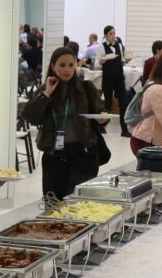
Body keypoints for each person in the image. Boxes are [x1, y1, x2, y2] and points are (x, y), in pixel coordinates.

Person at [23, 45, 103, 199]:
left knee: (76, 203)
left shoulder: (85, 88)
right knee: (53, 203)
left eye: (71, 65)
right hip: (54, 155)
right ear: (53, 66)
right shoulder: (45, 90)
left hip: (83, 154)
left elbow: (100, 111)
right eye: (62, 65)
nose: (67, 69)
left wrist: (102, 119)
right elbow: (30, 116)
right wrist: (47, 93)